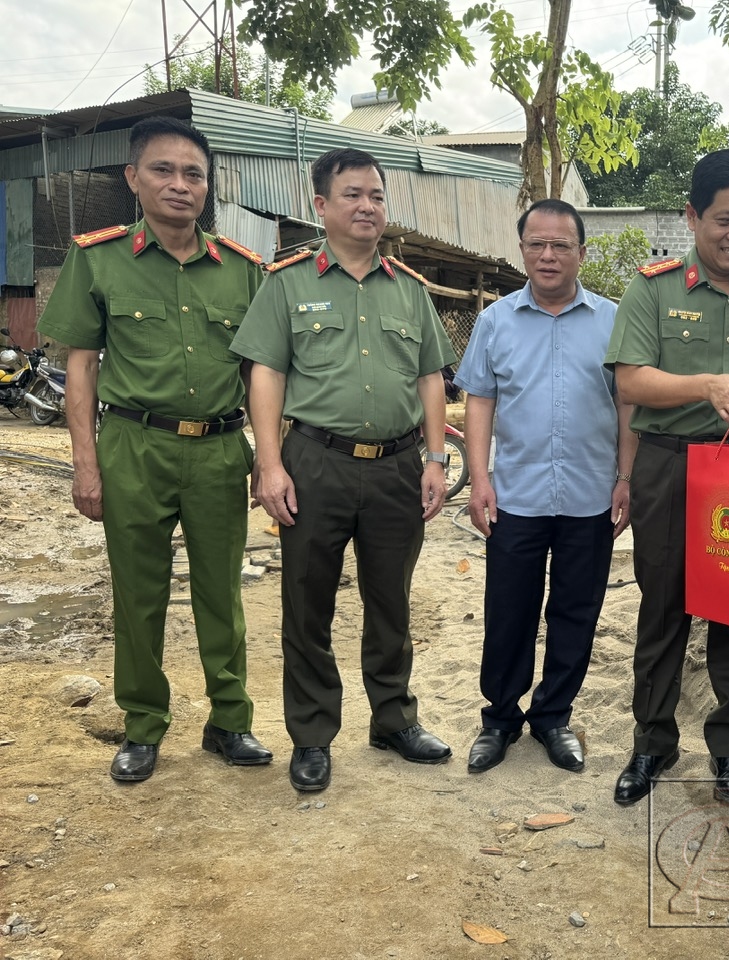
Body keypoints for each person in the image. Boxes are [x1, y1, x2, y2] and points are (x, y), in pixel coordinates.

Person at [37, 117, 272, 783]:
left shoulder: (243, 271)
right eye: (164, 170)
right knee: (138, 596)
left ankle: (230, 721)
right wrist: (86, 464)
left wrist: (267, 456)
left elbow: (261, 374)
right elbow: (80, 368)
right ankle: (143, 726)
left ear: (207, 188)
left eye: (193, 173)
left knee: (220, 595)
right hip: (134, 446)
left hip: (220, 452)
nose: (180, 184)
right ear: (132, 178)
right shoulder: (99, 257)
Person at [232, 147, 457, 793]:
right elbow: (266, 373)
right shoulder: (287, 282)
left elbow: (430, 379)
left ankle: (393, 719)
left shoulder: (410, 291)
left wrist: (437, 458)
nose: (367, 206)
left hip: (395, 467)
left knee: (392, 602)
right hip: (315, 464)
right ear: (321, 205)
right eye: (353, 194)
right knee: (308, 602)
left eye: (377, 196)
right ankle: (311, 735)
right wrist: (270, 464)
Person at [604, 149, 729, 808]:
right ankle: (652, 743)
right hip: (671, 464)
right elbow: (631, 379)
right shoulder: (654, 289)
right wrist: (706, 385)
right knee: (661, 612)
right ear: (692, 217)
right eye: (724, 219)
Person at [454, 198, 638, 775]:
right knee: (508, 610)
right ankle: (501, 718)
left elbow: (627, 403)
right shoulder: (495, 321)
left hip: (590, 495)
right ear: (523, 250)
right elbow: (479, 399)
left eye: (561, 245)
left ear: (582, 252)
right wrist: (479, 479)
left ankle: (554, 715)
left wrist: (626, 477)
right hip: (516, 497)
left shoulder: (612, 321)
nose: (549, 255)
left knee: (576, 612)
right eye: (537, 244)